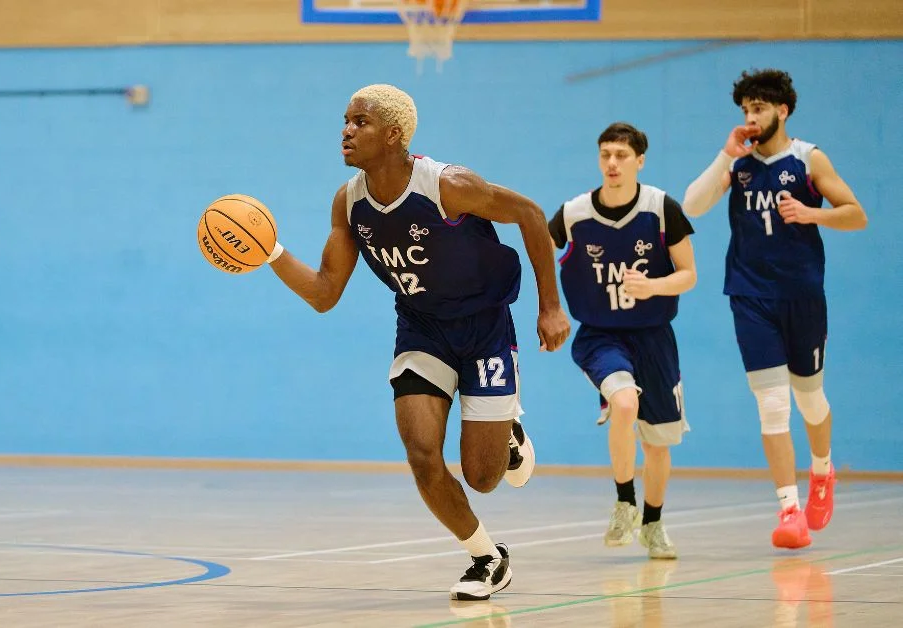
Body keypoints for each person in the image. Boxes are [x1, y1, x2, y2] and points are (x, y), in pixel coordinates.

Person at [262, 83, 570, 600]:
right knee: (422, 454)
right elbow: (323, 293)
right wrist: (268, 251)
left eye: (359, 122)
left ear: (393, 134)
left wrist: (550, 306)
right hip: (422, 328)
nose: (346, 131)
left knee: (483, 477)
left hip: (484, 326)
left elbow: (532, 216)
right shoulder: (349, 203)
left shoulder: (449, 185)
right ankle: (486, 557)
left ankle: (508, 435)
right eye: (345, 120)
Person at [682, 69, 867, 549]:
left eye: (759, 108)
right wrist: (726, 153)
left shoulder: (808, 158)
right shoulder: (738, 164)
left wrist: (812, 213)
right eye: (745, 109)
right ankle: (789, 510)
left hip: (802, 296)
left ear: (782, 110)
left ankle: (822, 472)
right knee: (771, 403)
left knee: (810, 398)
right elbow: (692, 206)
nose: (751, 117)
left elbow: (856, 213)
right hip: (749, 295)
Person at [548, 122, 696, 559]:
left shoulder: (661, 208)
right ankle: (623, 501)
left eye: (621, 155)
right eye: (605, 154)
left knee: (657, 442)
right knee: (624, 403)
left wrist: (654, 286)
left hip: (654, 336)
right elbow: (541, 255)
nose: (612, 163)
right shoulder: (574, 214)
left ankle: (652, 522)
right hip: (600, 335)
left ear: (639, 161)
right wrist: (549, 310)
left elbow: (689, 274)